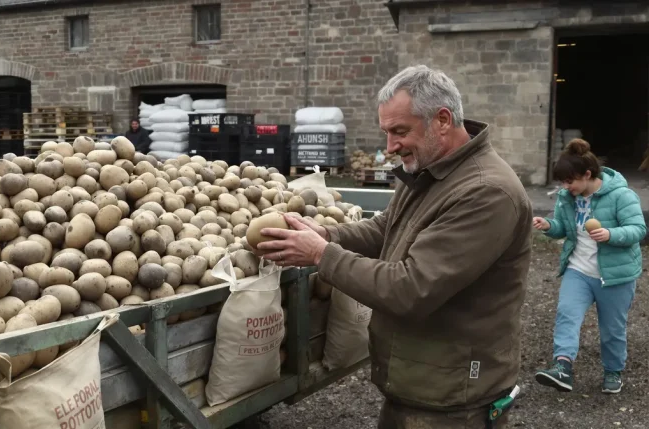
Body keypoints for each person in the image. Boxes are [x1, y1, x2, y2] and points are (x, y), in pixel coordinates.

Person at [256, 65, 533, 428]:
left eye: (400, 132)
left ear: (442, 120)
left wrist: (321, 254)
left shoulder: (486, 192)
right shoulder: (430, 168)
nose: (389, 148)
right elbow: (386, 228)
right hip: (419, 384)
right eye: (386, 133)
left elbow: (411, 288)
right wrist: (327, 235)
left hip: (455, 400)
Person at [532, 139, 645, 395]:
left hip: (615, 275)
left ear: (587, 174)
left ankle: (613, 371)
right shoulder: (567, 198)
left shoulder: (621, 195)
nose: (565, 187)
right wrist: (549, 226)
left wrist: (611, 234)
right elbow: (563, 228)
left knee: (612, 329)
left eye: (569, 181)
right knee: (566, 314)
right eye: (562, 182)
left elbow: (638, 229)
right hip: (578, 270)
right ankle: (562, 366)